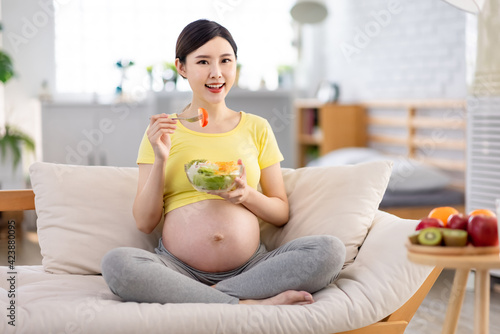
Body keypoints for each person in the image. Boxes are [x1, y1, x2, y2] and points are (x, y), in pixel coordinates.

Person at [101, 19, 345, 305]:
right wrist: (160, 159)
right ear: (181, 67)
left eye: (225, 61)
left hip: (252, 268)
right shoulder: (163, 131)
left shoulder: (257, 127)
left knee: (330, 251)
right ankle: (245, 304)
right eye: (203, 62)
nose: (216, 73)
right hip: (177, 270)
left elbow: (280, 213)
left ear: (235, 66)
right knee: (117, 264)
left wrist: (247, 195)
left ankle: (213, 299)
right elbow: (144, 222)